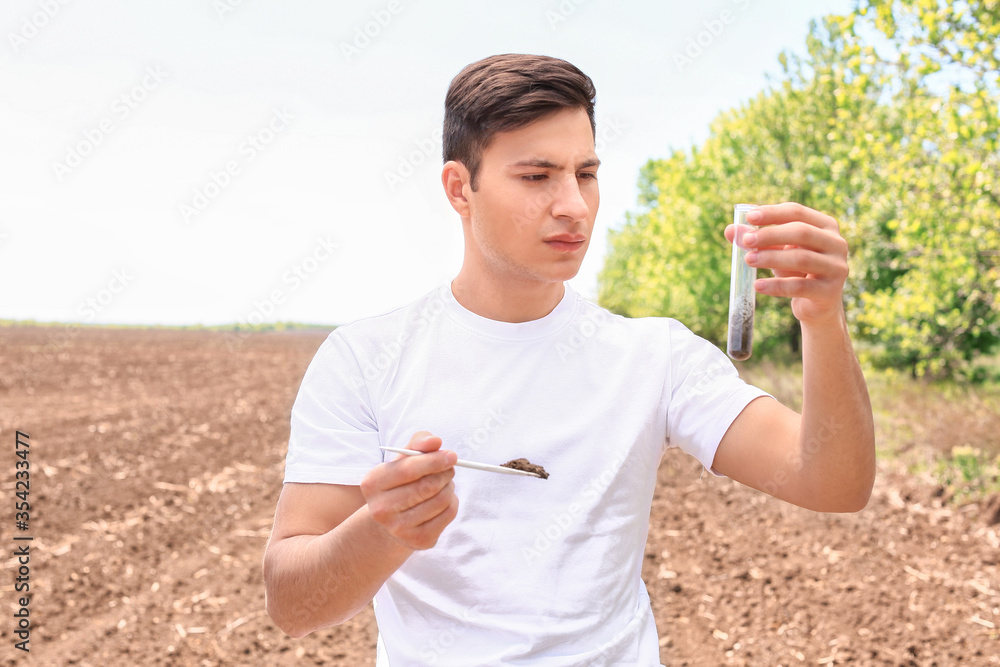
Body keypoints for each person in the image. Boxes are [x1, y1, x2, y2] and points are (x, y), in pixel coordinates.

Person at [262, 53, 875, 665]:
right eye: (537, 177)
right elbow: (292, 603)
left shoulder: (655, 356)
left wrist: (823, 322)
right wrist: (382, 529)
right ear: (459, 188)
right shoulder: (364, 359)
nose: (573, 206)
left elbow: (831, 481)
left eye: (585, 174)